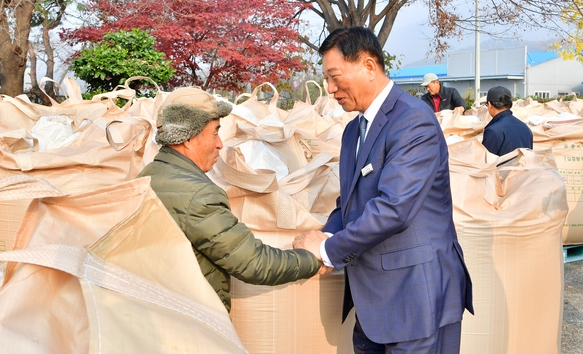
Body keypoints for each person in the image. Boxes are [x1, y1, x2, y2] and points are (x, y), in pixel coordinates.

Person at [293, 27, 473, 353]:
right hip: (374, 300)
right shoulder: (353, 131)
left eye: (335, 77)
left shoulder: (412, 121)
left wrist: (328, 251)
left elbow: (394, 208)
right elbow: (348, 203)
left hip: (417, 299)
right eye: (326, 79)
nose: (330, 89)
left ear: (369, 66)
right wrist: (322, 237)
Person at [137, 87, 321, 312]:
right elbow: (254, 263)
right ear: (187, 137)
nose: (220, 144)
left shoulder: (148, 174)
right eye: (214, 133)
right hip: (192, 320)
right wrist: (311, 257)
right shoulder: (197, 196)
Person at [482, 86, 533, 156]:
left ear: (490, 104)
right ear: (511, 104)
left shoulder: (493, 131)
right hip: (524, 166)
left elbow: (485, 161)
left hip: (500, 167)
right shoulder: (526, 128)